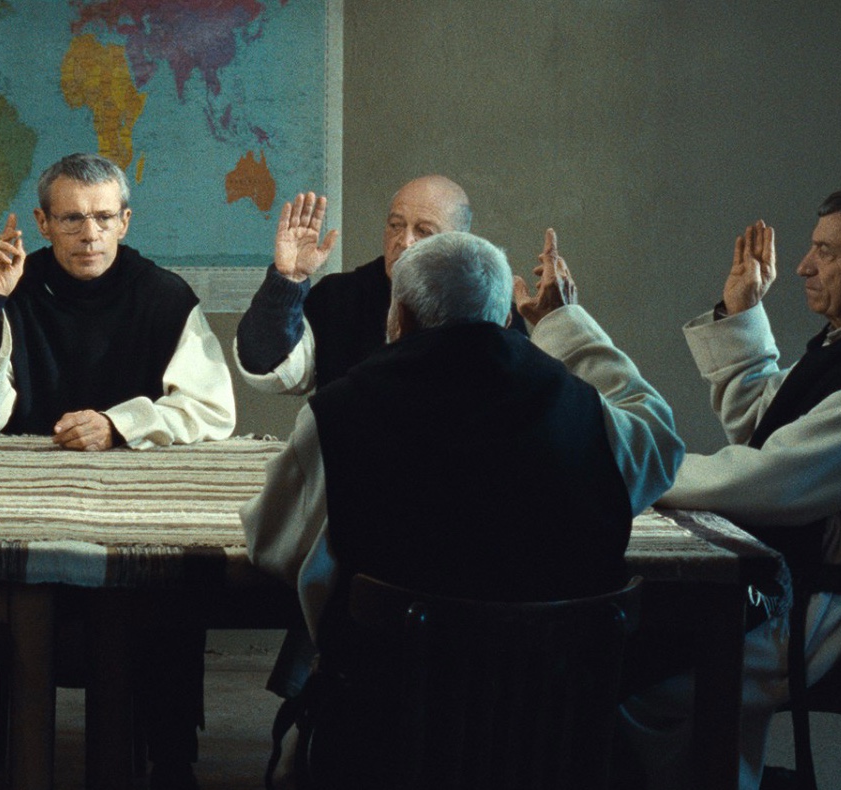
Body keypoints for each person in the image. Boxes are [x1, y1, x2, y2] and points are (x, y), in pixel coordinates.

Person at [242, 229, 683, 787]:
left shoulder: (339, 412)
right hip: (551, 744)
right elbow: (661, 441)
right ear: (506, 318)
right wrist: (566, 323)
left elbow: (271, 544)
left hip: (381, 743)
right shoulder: (586, 413)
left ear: (399, 316)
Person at [0, 153, 235, 790]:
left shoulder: (165, 296)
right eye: (71, 219)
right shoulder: (13, 287)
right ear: (42, 223)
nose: (89, 234)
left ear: (125, 221)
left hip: (135, 505)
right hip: (23, 502)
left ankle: (172, 762)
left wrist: (120, 423)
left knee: (173, 583)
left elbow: (211, 409)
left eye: (103, 218)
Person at [625, 184, 841, 790]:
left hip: (835, 607)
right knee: (642, 652)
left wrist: (641, 466)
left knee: (646, 684)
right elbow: (766, 426)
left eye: (826, 252)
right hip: (796, 587)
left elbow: (775, 480)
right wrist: (742, 312)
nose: (803, 266)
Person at [234, 175, 484, 395]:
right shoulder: (339, 297)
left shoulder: (485, 303)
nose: (405, 241)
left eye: (424, 231)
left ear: (458, 242)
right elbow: (267, 362)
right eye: (395, 225)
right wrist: (288, 281)